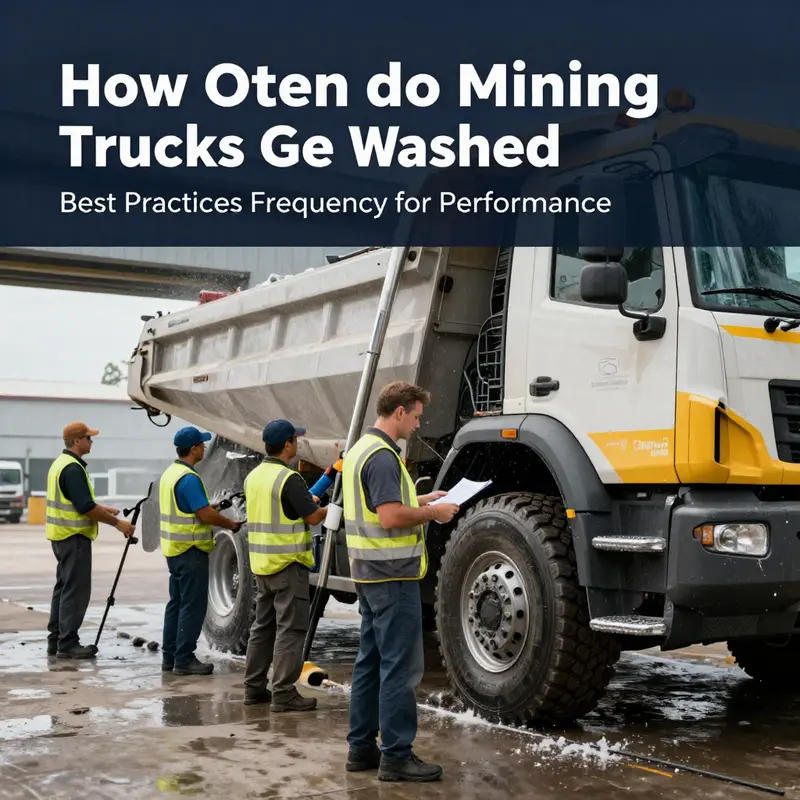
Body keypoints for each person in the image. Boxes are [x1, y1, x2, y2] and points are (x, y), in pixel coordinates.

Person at [342, 381, 459, 782]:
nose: (418, 424)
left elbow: (382, 505)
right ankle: (396, 756)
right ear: (399, 413)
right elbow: (390, 517)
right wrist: (435, 515)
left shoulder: (360, 450)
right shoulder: (383, 457)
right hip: (392, 576)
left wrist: (427, 500)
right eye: (416, 416)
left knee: (370, 662)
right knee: (399, 668)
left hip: (370, 574)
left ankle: (360, 749)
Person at [242, 419, 327, 710]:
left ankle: (254, 688)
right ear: (287, 444)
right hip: (287, 566)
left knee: (263, 627)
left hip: (263, 565)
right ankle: (283, 694)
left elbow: (287, 506)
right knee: (290, 630)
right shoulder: (289, 479)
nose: (298, 444)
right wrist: (333, 508)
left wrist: (317, 489)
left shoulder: (255, 476)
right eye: (296, 440)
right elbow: (313, 517)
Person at [46, 422, 136, 659]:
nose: (91, 441)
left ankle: (55, 640)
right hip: (73, 538)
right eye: (88, 438)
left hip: (61, 537)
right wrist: (119, 524)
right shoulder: (73, 469)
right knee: (75, 591)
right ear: (77, 441)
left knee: (63, 589)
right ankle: (68, 643)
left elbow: (77, 502)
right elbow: (85, 508)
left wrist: (102, 508)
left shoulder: (60, 464)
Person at [160, 426, 242, 676]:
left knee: (176, 604)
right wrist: (231, 524)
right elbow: (204, 515)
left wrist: (213, 505)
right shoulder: (189, 479)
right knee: (192, 607)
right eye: (202, 445)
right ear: (193, 448)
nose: (205, 448)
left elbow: (191, 509)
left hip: (175, 551)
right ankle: (184, 660)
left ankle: (170, 657)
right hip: (191, 551)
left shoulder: (171, 474)